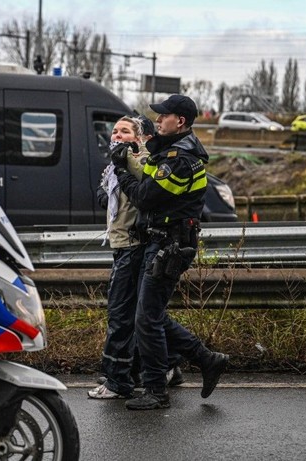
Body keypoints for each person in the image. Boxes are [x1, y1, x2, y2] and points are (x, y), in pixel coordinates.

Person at [111, 94, 229, 410]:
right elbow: (148, 178)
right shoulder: (170, 151)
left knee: (146, 318)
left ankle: (156, 390)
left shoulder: (181, 159)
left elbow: (145, 197)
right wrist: (133, 160)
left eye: (164, 116)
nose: (158, 120)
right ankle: (207, 359)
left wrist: (121, 169)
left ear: (180, 121)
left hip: (170, 246)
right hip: (161, 242)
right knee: (150, 315)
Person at [88, 116, 183, 400]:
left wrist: (125, 164)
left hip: (132, 246)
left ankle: (119, 381)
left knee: (121, 315)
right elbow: (105, 191)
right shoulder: (116, 163)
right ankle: (165, 364)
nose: (117, 134)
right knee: (135, 316)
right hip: (120, 245)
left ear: (139, 138)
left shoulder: (139, 160)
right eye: (115, 130)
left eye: (125, 131)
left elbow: (145, 189)